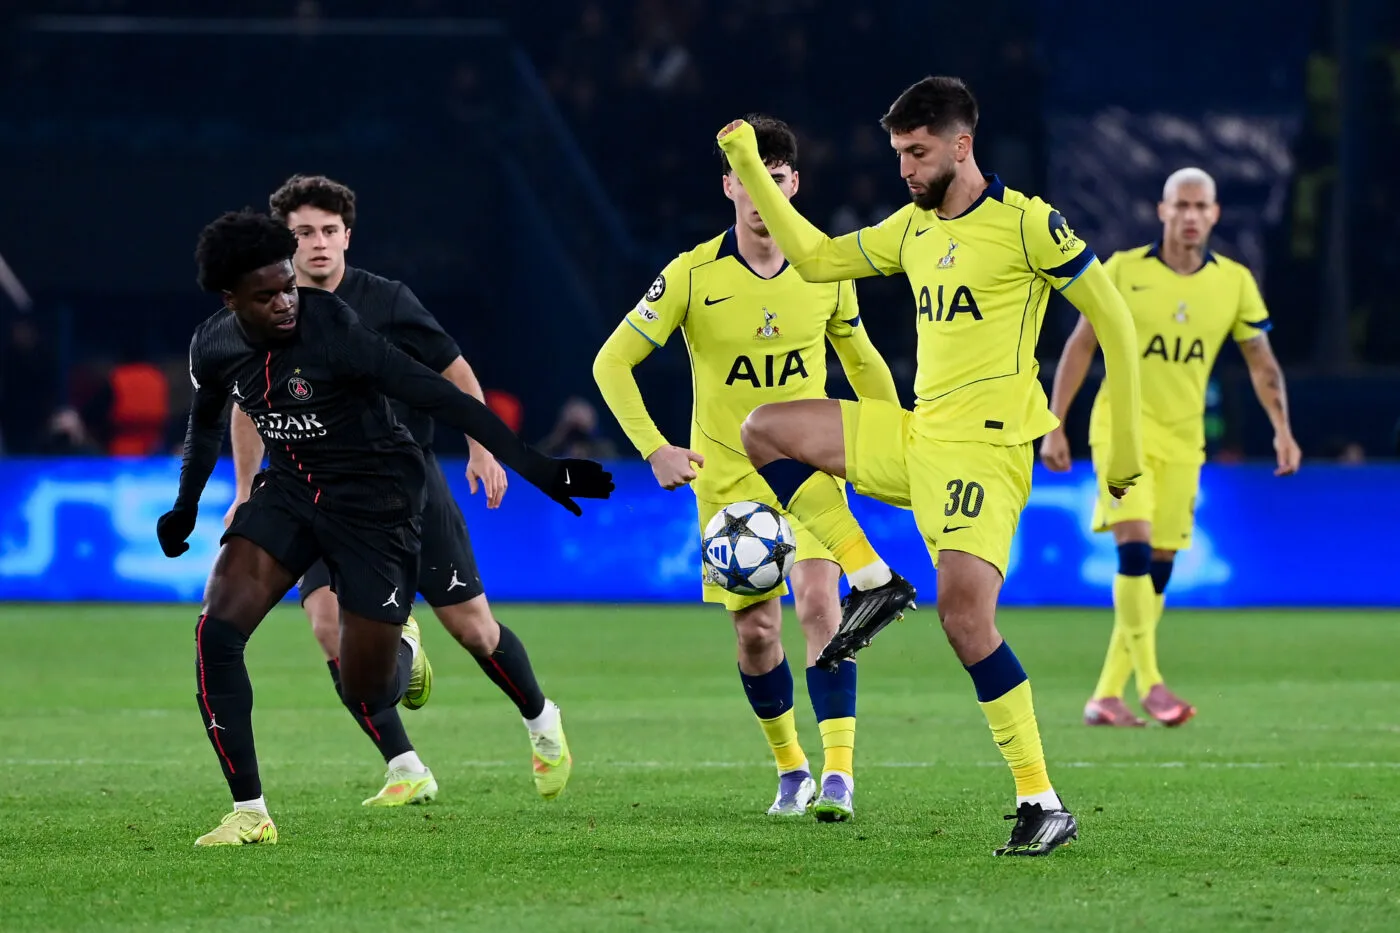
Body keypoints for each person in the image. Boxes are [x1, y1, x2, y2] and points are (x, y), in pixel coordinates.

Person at [714, 76, 1145, 856]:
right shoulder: (910, 230)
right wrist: (748, 160)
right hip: (918, 436)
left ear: (961, 144)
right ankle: (871, 577)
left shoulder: (1028, 226)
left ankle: (1040, 799)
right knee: (764, 429)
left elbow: (1113, 315)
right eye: (898, 154)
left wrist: (1124, 450)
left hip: (986, 447)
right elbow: (812, 257)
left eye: (917, 153)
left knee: (965, 617)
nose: (906, 169)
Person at [162, 209, 611, 846]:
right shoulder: (214, 344)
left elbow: (437, 393)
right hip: (291, 492)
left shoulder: (335, 326)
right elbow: (204, 424)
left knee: (366, 685)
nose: (288, 301)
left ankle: (402, 643)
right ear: (231, 300)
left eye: (289, 284)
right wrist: (186, 507)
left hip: (377, 505)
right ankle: (250, 812)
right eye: (268, 296)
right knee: (216, 630)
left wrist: (538, 466)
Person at [593, 115, 915, 821]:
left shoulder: (826, 267)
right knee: (756, 631)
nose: (765, 192)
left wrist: (892, 444)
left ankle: (838, 774)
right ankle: (790, 766)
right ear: (728, 186)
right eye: (751, 179)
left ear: (794, 184)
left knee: (824, 607)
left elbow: (860, 360)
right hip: (728, 477)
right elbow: (611, 361)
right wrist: (654, 447)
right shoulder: (691, 272)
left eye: (779, 179)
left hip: (807, 464)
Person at [1041, 167, 1301, 728]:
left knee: (1158, 565)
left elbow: (1261, 362)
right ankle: (1151, 682)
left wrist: (1282, 428)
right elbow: (1081, 345)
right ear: (1162, 211)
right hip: (1122, 429)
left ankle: (1106, 695)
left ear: (1214, 215)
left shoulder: (1233, 282)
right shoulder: (1122, 271)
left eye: (1200, 206)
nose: (1189, 216)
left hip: (1185, 440)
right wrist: (1055, 422)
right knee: (1133, 548)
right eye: (1179, 206)